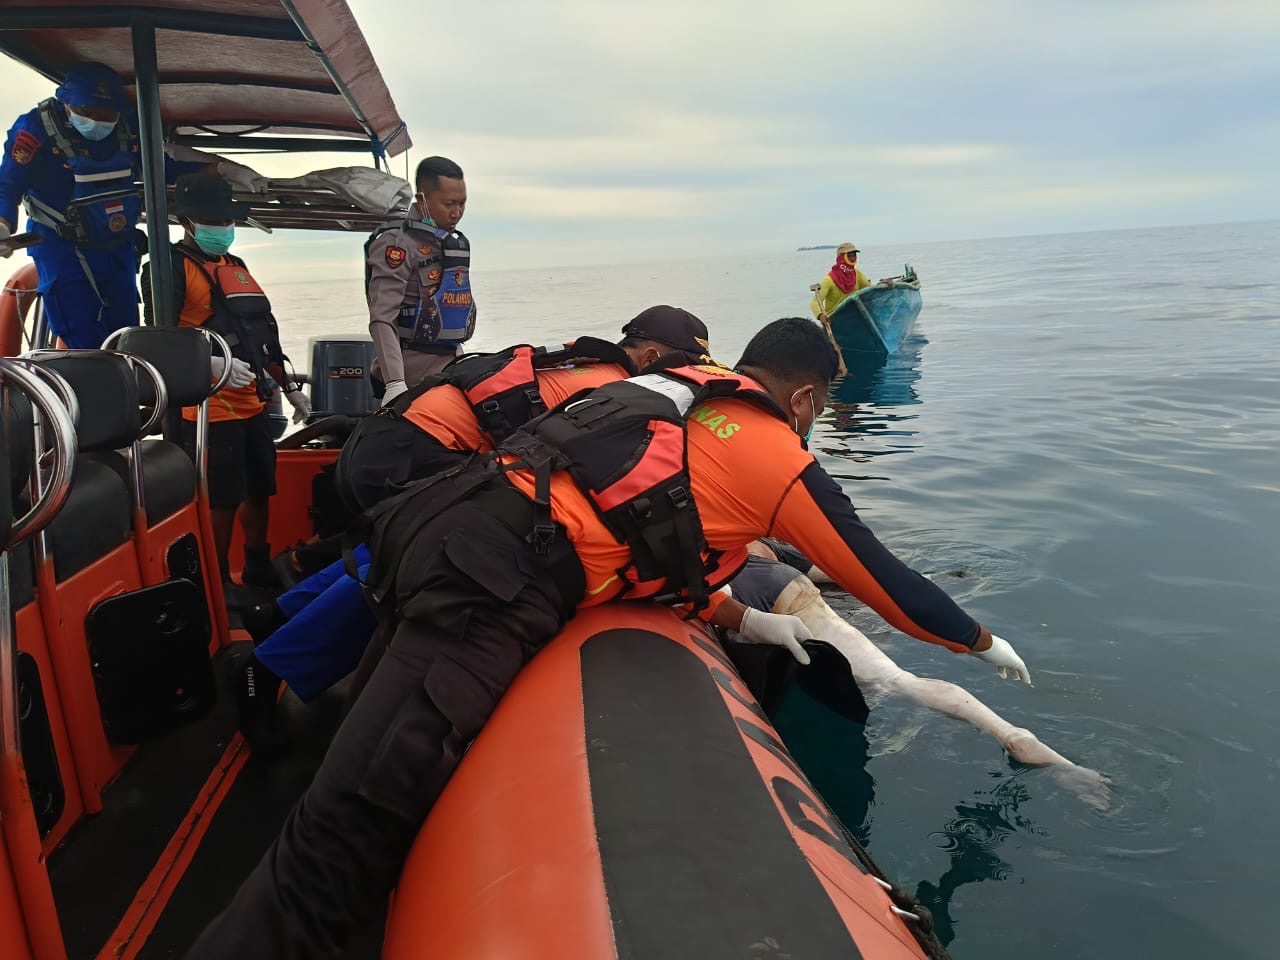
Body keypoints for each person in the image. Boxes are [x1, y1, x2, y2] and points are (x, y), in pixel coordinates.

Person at [187, 317, 1034, 958]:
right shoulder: (774, 453)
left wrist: (747, 619)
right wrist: (980, 639)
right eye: (821, 407)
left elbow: (635, 531)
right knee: (346, 829)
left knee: (349, 780)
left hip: (436, 533)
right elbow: (888, 582)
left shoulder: (672, 395)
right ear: (807, 398)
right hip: (486, 588)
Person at [233, 306, 713, 745]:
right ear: (652, 357)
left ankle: (280, 615)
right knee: (419, 568)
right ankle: (265, 668)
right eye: (683, 368)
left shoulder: (584, 363)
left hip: (393, 436)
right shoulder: (615, 395)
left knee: (395, 547)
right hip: (418, 450)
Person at [732, 541, 1110, 810]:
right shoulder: (759, 538)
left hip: (744, 587)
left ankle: (1018, 739)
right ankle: (1016, 737)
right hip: (780, 579)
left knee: (891, 682)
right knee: (896, 680)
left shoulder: (711, 537)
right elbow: (846, 575)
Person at [0, 63, 266, 348]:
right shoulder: (35, 130)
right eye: (86, 111)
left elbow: (165, 169)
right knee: (80, 331)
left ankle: (126, 374)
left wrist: (227, 170)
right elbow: (8, 185)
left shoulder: (129, 126)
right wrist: (3, 224)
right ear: (66, 102)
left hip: (117, 245)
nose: (96, 120)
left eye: (105, 114)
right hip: (61, 246)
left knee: (126, 331)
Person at [141, 172, 310, 592]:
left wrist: (289, 388)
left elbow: (262, 335)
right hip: (206, 411)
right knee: (222, 497)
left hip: (253, 400)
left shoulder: (236, 267)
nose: (223, 228)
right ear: (187, 222)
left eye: (227, 220)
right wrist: (212, 365)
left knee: (259, 488)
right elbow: (158, 340)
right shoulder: (167, 268)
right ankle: (215, 583)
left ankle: (257, 566)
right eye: (213, 221)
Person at [365, 155, 472, 405]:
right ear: (422, 199)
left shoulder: (447, 243)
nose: (456, 213)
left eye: (462, 203)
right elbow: (382, 317)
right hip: (412, 374)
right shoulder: (397, 244)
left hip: (450, 365)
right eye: (449, 204)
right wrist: (395, 382)